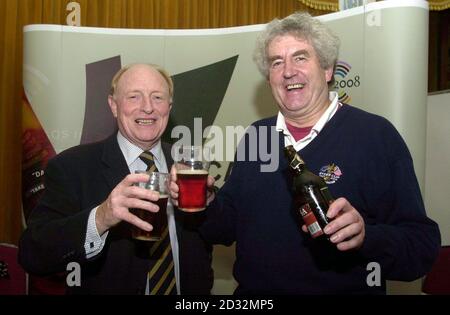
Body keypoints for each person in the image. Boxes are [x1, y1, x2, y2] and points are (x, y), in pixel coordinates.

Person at [169, 12, 441, 294]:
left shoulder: (375, 136)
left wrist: (366, 236)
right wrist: (207, 200)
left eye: (300, 57)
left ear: (327, 69)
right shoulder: (257, 136)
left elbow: (420, 247)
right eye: (277, 62)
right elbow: (224, 229)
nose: (288, 71)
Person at [19, 63, 213, 294]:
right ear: (113, 105)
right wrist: (101, 217)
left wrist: (209, 202)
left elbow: (219, 234)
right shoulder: (72, 167)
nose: (148, 108)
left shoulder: (187, 167)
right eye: (134, 96)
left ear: (169, 107)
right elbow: (32, 253)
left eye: (158, 97)